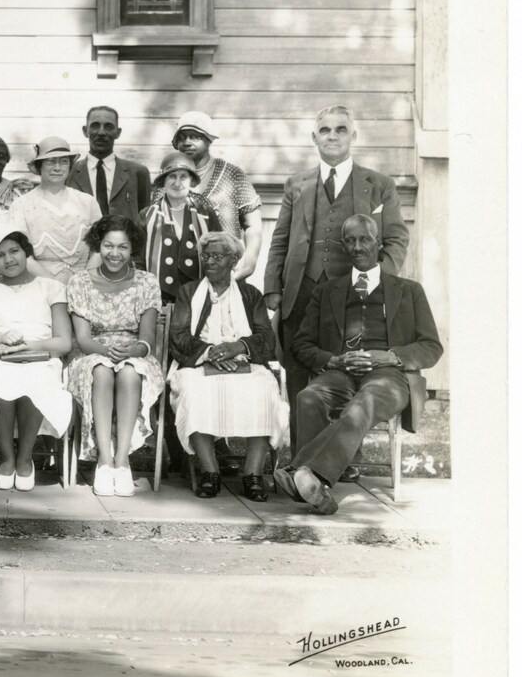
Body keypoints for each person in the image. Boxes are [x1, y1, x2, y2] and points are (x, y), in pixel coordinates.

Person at [279, 215, 442, 515]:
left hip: (389, 375)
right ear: (344, 246)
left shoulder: (409, 291)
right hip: (340, 371)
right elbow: (301, 344)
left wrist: (390, 356)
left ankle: (302, 471)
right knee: (308, 396)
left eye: (365, 239)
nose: (358, 246)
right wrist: (333, 359)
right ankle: (313, 485)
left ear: (378, 242)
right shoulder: (327, 291)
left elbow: (432, 347)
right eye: (351, 241)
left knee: (364, 402)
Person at [262, 105, 411, 400]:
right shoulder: (296, 184)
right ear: (314, 137)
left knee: (346, 372)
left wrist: (377, 279)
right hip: (301, 290)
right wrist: (272, 287)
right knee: (297, 373)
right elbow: (280, 238)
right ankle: (300, 447)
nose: (333, 136)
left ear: (353, 135)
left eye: (341, 129)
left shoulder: (379, 184)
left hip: (353, 294)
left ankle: (342, 443)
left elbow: (397, 238)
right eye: (325, 130)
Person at [168, 233, 284, 501]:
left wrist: (239, 346)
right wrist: (210, 352)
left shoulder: (250, 294)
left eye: (217, 256)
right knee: (193, 390)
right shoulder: (189, 292)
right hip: (199, 363)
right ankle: (210, 472)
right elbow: (179, 336)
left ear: (234, 261)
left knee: (264, 388)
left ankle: (253, 475)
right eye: (206, 256)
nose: (209, 261)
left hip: (244, 362)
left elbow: (266, 338)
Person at [0, 232, 74, 490]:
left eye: (14, 251)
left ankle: (25, 458)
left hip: (41, 358)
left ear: (27, 253)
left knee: (35, 380)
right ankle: (7, 457)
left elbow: (63, 343)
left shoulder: (51, 288)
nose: (8, 259)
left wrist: (26, 346)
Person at [64, 215, 163, 497]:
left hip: (135, 353)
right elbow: (83, 340)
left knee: (131, 371)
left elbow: (147, 339)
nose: (114, 254)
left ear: (133, 249)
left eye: (122, 247)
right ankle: (104, 463)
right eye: (108, 246)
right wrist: (106, 351)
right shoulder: (80, 282)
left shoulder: (146, 282)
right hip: (93, 353)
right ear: (98, 246)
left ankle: (123, 463)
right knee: (101, 370)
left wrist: (133, 351)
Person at [168, 112, 263, 277]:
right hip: (181, 278)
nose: (187, 142)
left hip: (227, 273)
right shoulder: (169, 179)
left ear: (208, 140)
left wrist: (248, 265)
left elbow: (253, 226)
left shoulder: (231, 175)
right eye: (182, 138)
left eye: (195, 137)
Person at [2, 137, 103, 283]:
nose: (57, 167)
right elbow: (22, 255)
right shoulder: (21, 205)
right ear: (39, 166)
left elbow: (99, 248)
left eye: (63, 162)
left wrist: (83, 283)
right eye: (50, 161)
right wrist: (54, 287)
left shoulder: (88, 202)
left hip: (86, 283)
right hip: (39, 284)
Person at [141, 149, 222, 306]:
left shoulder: (205, 214)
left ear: (191, 181)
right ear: (163, 181)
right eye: (172, 176)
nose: (177, 183)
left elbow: (219, 254)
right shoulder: (147, 216)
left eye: (183, 177)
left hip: (198, 295)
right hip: (157, 297)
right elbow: (138, 260)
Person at [70, 105, 153, 219]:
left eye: (108, 127)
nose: (101, 132)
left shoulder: (138, 173)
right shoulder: (70, 173)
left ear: (118, 132)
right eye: (95, 126)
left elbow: (145, 220)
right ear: (85, 131)